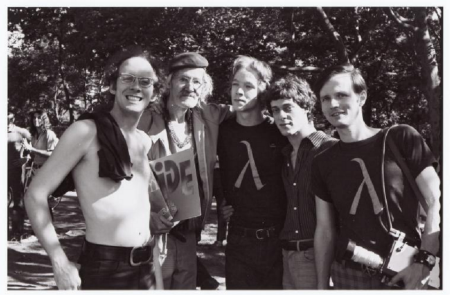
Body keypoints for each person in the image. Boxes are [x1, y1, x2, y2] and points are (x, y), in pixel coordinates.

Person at [24, 46, 162, 290]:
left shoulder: (144, 140)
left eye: (145, 81)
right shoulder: (87, 131)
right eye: (127, 78)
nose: (136, 86)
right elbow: (35, 195)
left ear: (154, 90)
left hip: (147, 266)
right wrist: (59, 261)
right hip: (105, 268)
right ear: (112, 86)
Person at [311, 64, 441, 289]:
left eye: (341, 95)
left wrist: (425, 262)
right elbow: (325, 230)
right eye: (325, 98)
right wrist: (322, 287)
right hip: (348, 275)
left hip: (404, 272)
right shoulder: (322, 160)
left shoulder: (401, 138)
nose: (333, 104)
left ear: (361, 97)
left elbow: (436, 202)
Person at [138, 52, 232, 289]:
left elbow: (247, 110)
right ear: (168, 81)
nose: (190, 87)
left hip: (189, 234)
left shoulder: (207, 116)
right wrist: (148, 219)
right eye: (183, 79)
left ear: (204, 86)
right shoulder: (144, 120)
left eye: (197, 81)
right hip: (151, 234)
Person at [218, 56, 287, 289]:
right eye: (235, 84)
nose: (239, 91)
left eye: (248, 86)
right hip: (238, 240)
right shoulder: (220, 132)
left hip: (278, 241)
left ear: (263, 89)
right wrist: (222, 201)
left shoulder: (279, 131)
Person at [265, 74, 337, 289]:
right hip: (286, 255)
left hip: (317, 257)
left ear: (307, 108)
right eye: (275, 110)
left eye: (288, 108)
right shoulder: (285, 154)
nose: (281, 116)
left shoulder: (329, 149)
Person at [7, 112, 32, 240]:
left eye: (9, 118)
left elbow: (30, 149)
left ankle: (18, 232)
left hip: (16, 173)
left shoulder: (22, 132)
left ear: (13, 118)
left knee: (18, 202)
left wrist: (25, 159)